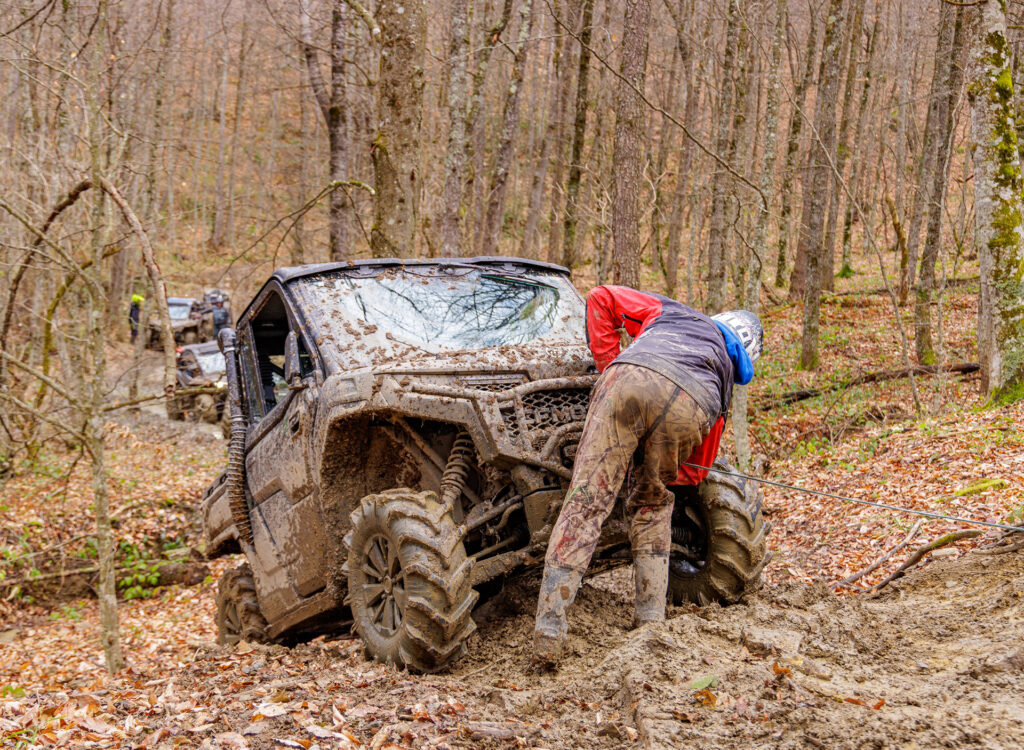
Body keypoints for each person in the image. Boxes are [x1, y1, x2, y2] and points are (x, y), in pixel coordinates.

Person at [533, 285, 763, 665]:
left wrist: (609, 367)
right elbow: (695, 472)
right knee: (654, 507)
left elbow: (601, 298)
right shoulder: (723, 380)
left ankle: (548, 634)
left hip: (628, 377)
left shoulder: (671, 310)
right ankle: (650, 624)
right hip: (692, 403)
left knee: (586, 504)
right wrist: (651, 463)